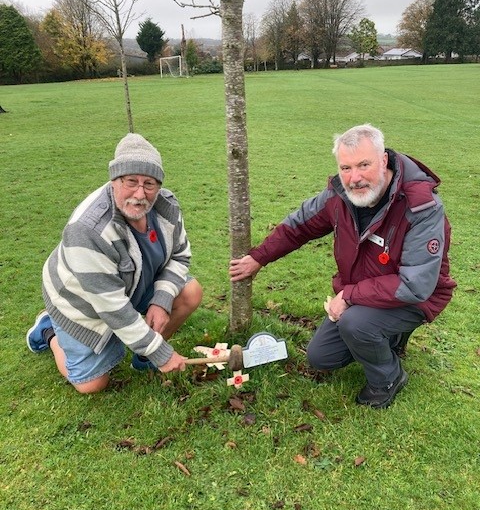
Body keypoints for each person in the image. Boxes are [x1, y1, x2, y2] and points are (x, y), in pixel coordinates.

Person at [230, 124, 456, 409]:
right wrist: (259, 257)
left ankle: (388, 378)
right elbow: (299, 225)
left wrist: (349, 297)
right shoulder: (339, 196)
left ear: (383, 160)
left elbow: (415, 284)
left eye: (364, 165)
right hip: (365, 294)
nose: (355, 178)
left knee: (356, 324)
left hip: (415, 297)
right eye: (346, 168)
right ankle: (389, 335)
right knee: (321, 357)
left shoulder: (422, 208)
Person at [27, 133, 202, 394]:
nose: (140, 194)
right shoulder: (87, 230)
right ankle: (48, 331)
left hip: (132, 285)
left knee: (190, 292)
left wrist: (161, 300)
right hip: (82, 300)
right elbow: (113, 307)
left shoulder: (166, 207)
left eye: (150, 183)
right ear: (114, 180)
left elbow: (180, 255)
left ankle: (143, 358)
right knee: (91, 385)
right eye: (131, 181)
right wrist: (162, 353)